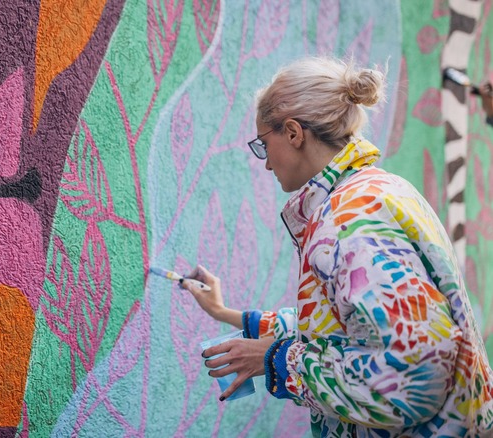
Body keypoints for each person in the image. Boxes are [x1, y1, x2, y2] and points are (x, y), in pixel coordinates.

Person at [181, 57, 493, 437]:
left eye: (264, 144)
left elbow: (413, 375)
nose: (265, 164)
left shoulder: (349, 221)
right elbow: (352, 327)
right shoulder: (371, 192)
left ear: (294, 132)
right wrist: (228, 314)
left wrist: (277, 360)